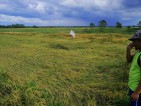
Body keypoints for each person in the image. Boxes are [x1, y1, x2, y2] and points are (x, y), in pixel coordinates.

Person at [126, 30, 141, 106]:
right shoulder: (138, 52)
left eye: (134, 41)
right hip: (133, 87)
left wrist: (136, 92)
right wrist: (128, 50)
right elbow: (129, 60)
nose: (132, 44)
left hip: (137, 90)